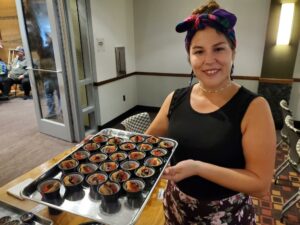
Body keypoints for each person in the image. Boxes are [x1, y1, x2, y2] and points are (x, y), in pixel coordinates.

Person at [145, 1, 276, 224]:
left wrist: (198, 168)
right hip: (176, 209)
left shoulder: (254, 107)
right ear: (189, 57)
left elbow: (260, 184)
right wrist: (104, 146)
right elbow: (147, 143)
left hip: (226, 217)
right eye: (198, 51)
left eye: (218, 48)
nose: (208, 60)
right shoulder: (175, 99)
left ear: (233, 51)